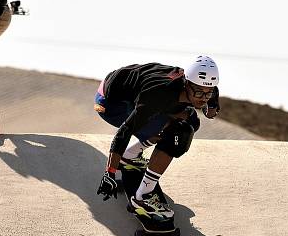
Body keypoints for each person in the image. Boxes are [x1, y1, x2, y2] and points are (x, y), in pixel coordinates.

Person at [95, 56, 221, 218]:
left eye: (207, 93)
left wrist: (211, 107)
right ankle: (142, 199)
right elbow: (124, 131)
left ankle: (130, 155)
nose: (202, 98)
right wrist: (110, 173)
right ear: (186, 83)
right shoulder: (157, 94)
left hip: (132, 89)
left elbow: (210, 100)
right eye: (198, 92)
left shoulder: (205, 88)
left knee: (190, 119)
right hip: (110, 103)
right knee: (178, 132)